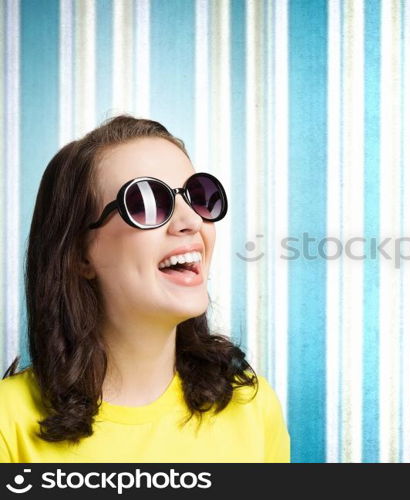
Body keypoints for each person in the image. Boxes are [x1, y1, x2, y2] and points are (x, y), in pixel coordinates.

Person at [0, 115, 290, 462]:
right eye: (146, 202)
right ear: (80, 254)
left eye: (197, 196)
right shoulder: (9, 423)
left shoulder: (252, 409)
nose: (192, 222)